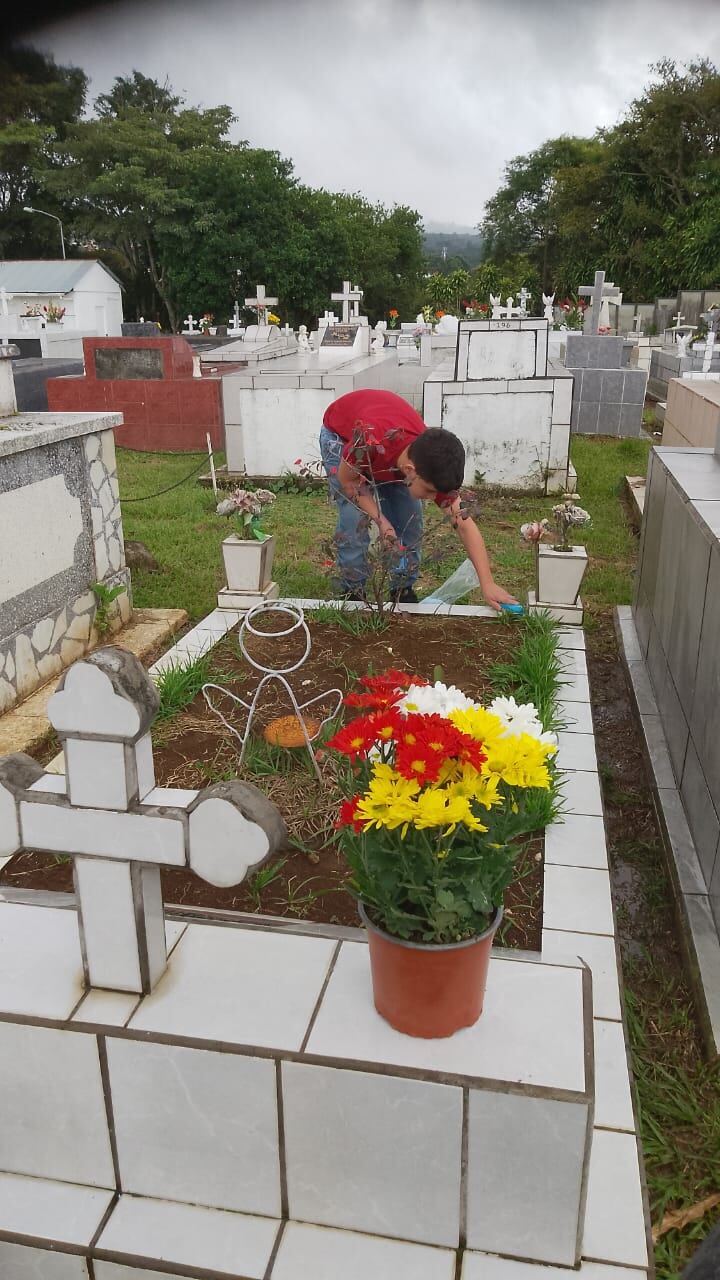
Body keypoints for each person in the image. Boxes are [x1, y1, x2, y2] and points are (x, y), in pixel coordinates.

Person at [319, 388, 518, 610]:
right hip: (341, 435)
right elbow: (350, 483)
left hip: (388, 452)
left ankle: (401, 589)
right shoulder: (367, 442)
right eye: (429, 491)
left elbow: (464, 524)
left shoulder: (430, 464)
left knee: (409, 520)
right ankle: (353, 591)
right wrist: (381, 521)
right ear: (410, 470)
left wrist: (487, 583)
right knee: (354, 519)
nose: (434, 499)